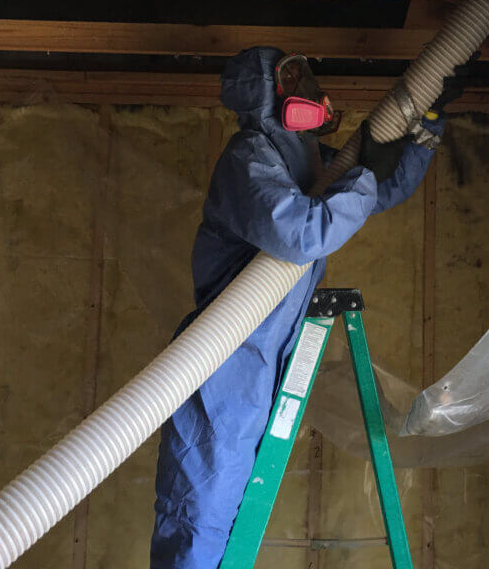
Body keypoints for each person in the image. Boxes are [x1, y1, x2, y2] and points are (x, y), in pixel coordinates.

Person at [151, 46, 455, 568]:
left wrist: (426, 122)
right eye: (294, 79)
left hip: (263, 357)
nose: (311, 90)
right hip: (226, 363)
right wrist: (363, 176)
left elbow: (381, 190)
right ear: (266, 94)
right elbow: (305, 231)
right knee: (201, 514)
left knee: (230, 515)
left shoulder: (303, 158)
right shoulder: (250, 156)